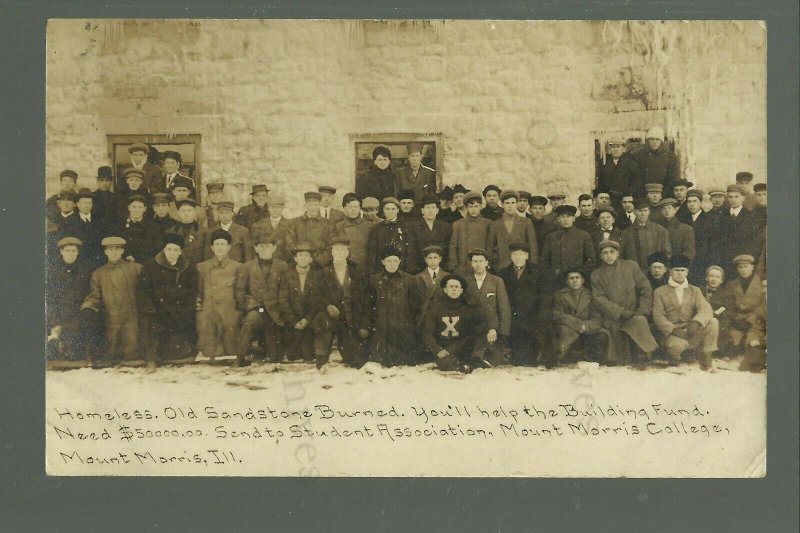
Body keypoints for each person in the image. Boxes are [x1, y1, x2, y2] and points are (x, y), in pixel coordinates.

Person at [591, 240, 658, 369]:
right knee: (617, 358)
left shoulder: (631, 266)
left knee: (639, 322)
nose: (609, 256)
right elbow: (599, 299)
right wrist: (620, 312)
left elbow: (645, 289)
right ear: (601, 256)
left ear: (618, 254)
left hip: (633, 313)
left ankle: (641, 356)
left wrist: (641, 310)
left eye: (612, 252)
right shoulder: (596, 275)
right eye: (605, 253)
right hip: (612, 316)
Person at [136, 233, 198, 371]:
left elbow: (191, 293)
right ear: (164, 249)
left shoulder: (187, 268)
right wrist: (151, 308)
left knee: (179, 341)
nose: (172, 253)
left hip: (178, 310)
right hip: (157, 310)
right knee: (150, 326)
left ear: (181, 252)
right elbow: (143, 291)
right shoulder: (151, 266)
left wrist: (185, 309)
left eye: (176, 250)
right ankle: (150, 359)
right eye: (169, 249)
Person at [80, 236, 143, 365]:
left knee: (132, 351)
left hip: (132, 318)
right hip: (111, 318)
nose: (114, 252)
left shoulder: (136, 268)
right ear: (105, 252)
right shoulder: (98, 273)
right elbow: (94, 295)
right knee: (111, 349)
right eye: (110, 249)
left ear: (122, 251)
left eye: (117, 249)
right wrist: (88, 307)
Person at [309, 237, 370, 369]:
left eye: (343, 249)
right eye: (336, 249)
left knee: (355, 359)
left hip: (351, 318)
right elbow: (315, 297)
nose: (340, 252)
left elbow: (366, 300)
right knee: (321, 319)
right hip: (332, 316)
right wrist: (327, 305)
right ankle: (322, 354)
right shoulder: (323, 272)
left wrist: (364, 325)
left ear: (348, 253)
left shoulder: (357, 271)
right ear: (332, 252)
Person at [652, 255, 718, 370]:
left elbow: (706, 309)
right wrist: (672, 329)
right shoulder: (660, 291)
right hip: (672, 333)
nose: (679, 273)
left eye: (682, 270)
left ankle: (707, 356)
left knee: (713, 322)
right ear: (670, 271)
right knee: (676, 346)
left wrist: (696, 322)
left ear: (687, 272)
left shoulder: (694, 290)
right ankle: (675, 356)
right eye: (676, 270)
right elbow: (658, 316)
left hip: (690, 330)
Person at [235, 230, 289, 366]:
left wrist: (280, 308)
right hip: (257, 310)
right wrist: (255, 305)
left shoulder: (282, 266)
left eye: (268, 246)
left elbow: (286, 291)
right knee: (249, 321)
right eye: (261, 246)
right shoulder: (247, 267)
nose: (265, 249)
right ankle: (241, 356)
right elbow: (240, 292)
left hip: (276, 312)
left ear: (274, 248)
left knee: (275, 356)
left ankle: (263, 351)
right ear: (256, 248)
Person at [497, 243, 552, 365]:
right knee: (518, 359)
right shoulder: (503, 273)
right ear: (510, 256)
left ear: (527, 256)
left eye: (521, 254)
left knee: (532, 356)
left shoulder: (538, 271)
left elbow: (545, 297)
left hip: (532, 318)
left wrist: (540, 316)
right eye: (514, 254)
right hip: (513, 319)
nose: (517, 257)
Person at [367, 246, 423, 366]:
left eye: (395, 261)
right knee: (381, 359)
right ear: (383, 262)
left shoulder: (409, 280)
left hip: (402, 326)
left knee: (405, 359)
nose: (392, 264)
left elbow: (415, 306)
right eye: (388, 261)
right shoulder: (374, 280)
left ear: (399, 261)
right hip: (382, 326)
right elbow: (369, 305)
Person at [422, 274, 488, 373]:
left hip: (463, 346)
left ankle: (473, 362)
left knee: (480, 337)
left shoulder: (468, 307)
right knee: (445, 363)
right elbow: (427, 332)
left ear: (461, 290)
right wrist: (437, 350)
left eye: (456, 287)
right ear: (445, 290)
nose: (454, 289)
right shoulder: (435, 307)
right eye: (451, 286)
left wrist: (455, 348)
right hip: (444, 348)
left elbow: (475, 332)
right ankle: (462, 365)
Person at [196, 229, 243, 361]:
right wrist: (200, 313)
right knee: (209, 353)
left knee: (231, 351)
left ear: (228, 247)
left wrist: (237, 313)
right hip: (208, 314)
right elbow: (199, 293)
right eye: (217, 244)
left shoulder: (238, 267)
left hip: (229, 314)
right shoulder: (202, 267)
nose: (220, 247)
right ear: (212, 247)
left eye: (223, 244)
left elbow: (241, 293)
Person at [460, 248, 512, 367]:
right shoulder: (465, 281)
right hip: (471, 328)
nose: (478, 264)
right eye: (475, 261)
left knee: (497, 358)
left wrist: (500, 331)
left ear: (487, 263)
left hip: (492, 329)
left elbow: (504, 308)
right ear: (471, 264)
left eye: (481, 261)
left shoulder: (496, 281)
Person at [45, 237, 93, 364]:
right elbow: (49, 298)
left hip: (79, 311)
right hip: (60, 313)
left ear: (78, 252)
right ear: (61, 252)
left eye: (73, 251)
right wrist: (55, 322)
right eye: (67, 250)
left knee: (76, 349)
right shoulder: (52, 270)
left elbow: (90, 292)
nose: (71, 254)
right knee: (58, 340)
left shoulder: (85, 269)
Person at [552, 267, 609, 365]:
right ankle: (566, 357)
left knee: (602, 335)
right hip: (569, 329)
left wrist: (585, 326)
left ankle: (588, 358)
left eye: (577, 278)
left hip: (586, 330)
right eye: (571, 278)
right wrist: (576, 324)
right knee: (564, 333)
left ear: (583, 280)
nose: (575, 281)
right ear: (566, 282)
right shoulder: (560, 295)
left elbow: (597, 317)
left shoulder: (591, 295)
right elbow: (558, 314)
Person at [278, 242, 321, 362]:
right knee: (292, 355)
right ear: (295, 258)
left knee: (308, 355)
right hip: (292, 321)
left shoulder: (317, 276)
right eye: (300, 255)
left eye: (306, 256)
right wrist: (293, 321)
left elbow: (317, 301)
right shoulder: (286, 276)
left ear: (311, 259)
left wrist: (307, 319)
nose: (303, 258)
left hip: (308, 321)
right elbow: (283, 301)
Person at [725, 255, 766, 363]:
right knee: (732, 343)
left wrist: (753, 318)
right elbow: (729, 306)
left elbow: (763, 304)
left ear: (752, 267)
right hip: (738, 320)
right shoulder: (732, 285)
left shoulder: (761, 283)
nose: (743, 269)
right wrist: (735, 320)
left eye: (746, 266)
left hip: (756, 320)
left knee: (752, 343)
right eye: (740, 267)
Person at [539, 204, 596, 282]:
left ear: (573, 219)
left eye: (568, 217)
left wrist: (580, 275)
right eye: (562, 217)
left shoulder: (584, 236)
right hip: (556, 280)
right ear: (558, 219)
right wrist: (551, 275)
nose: (565, 220)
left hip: (576, 280)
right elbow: (544, 261)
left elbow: (591, 260)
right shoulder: (551, 237)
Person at [486, 190, 538, 271]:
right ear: (502, 205)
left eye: (513, 203)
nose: (510, 206)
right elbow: (490, 248)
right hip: (501, 268)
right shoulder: (495, 224)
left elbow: (533, 247)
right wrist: (494, 265)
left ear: (516, 204)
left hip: (521, 267)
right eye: (507, 203)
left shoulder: (526, 222)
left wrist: (533, 267)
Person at [285, 191, 338, 269]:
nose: (313, 208)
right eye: (310, 205)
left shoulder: (328, 225)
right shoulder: (294, 223)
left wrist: (318, 262)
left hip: (320, 267)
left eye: (315, 205)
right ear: (305, 205)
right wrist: (301, 261)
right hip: (298, 266)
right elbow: (289, 245)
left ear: (319, 205)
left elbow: (331, 247)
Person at [365, 197, 415, 274]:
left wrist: (408, 271)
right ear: (383, 210)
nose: (390, 212)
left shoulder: (405, 228)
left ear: (398, 210)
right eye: (387, 209)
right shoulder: (376, 229)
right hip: (381, 270)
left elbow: (410, 251)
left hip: (401, 270)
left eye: (393, 209)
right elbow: (372, 253)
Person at [621, 198, 671, 271]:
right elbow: (622, 256)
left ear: (649, 212)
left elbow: (667, 254)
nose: (643, 213)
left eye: (645, 211)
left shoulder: (660, 230)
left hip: (655, 273)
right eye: (640, 211)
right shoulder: (626, 233)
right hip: (634, 273)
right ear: (634, 212)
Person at [719, 184, 759, 275]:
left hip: (743, 264)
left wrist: (746, 261)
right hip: (725, 262)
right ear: (727, 198)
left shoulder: (751, 216)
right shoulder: (721, 216)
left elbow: (754, 242)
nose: (733, 199)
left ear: (743, 198)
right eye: (730, 197)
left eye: (736, 196)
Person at [630, 126, 680, 198]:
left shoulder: (670, 156)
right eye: (652, 139)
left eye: (657, 139)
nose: (655, 142)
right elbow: (636, 178)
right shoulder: (639, 156)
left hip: (664, 194)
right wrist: (643, 195)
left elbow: (672, 178)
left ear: (661, 141)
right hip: (644, 195)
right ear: (648, 141)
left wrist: (663, 195)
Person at [447, 191, 491, 272]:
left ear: (481, 207)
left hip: (481, 266)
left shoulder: (488, 224)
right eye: (471, 206)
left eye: (476, 206)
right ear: (466, 207)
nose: (473, 209)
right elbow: (453, 246)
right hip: (463, 266)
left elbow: (490, 246)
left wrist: (488, 263)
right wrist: (454, 265)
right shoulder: (458, 224)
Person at [408, 193, 451, 273]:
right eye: (428, 208)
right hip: (420, 268)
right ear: (422, 210)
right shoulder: (414, 227)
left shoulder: (445, 227)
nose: (430, 210)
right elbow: (411, 250)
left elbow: (448, 249)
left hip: (440, 268)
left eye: (433, 207)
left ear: (437, 210)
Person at [597, 137, 643, 211]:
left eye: (618, 147)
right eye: (613, 147)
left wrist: (625, 193)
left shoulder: (631, 164)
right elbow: (601, 184)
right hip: (610, 201)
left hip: (625, 201)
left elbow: (637, 183)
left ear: (623, 149)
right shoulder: (605, 164)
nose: (615, 149)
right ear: (609, 149)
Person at [702, 265, 735, 357]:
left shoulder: (727, 293)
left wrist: (718, 313)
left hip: (718, 321)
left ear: (721, 280)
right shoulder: (698, 290)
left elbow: (729, 311)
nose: (714, 279)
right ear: (706, 278)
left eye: (717, 277)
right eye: (711, 276)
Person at [414, 245, 450, 331]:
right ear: (425, 259)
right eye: (430, 258)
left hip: (442, 316)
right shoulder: (418, 277)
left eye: (435, 258)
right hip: (424, 317)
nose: (433, 261)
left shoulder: (448, 276)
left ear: (440, 259)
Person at [117, 193, 160, 264]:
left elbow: (156, 250)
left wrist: (137, 259)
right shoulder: (120, 226)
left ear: (144, 209)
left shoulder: (153, 227)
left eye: (140, 207)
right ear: (129, 207)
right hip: (124, 264)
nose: (136, 210)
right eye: (134, 207)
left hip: (145, 265)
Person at [71, 188, 108, 267]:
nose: (87, 206)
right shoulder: (71, 221)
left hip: (99, 261)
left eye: (89, 203)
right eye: (84, 203)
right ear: (77, 204)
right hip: (79, 262)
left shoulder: (100, 220)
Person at [336, 194, 374, 269]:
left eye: (356, 207)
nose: (353, 209)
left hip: (363, 268)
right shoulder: (337, 227)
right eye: (350, 207)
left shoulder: (369, 226)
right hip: (344, 269)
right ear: (344, 208)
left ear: (360, 208)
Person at [164, 198, 206, 267]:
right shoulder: (170, 231)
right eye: (183, 211)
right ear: (178, 213)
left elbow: (206, 257)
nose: (186, 213)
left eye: (189, 210)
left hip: (196, 271)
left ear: (194, 212)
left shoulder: (203, 232)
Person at [685, 189, 714, 285]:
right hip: (688, 263)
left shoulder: (710, 220)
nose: (691, 204)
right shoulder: (683, 219)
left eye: (695, 201)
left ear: (701, 202)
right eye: (689, 201)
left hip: (704, 262)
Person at [250, 194, 290, 261]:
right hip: (263, 261)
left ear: (282, 209)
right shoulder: (258, 225)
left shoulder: (290, 225)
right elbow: (254, 247)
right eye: (273, 207)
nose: (275, 210)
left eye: (278, 208)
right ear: (268, 208)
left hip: (283, 262)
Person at [658, 198, 696, 264]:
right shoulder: (658, 228)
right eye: (664, 209)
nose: (667, 211)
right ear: (661, 211)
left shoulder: (686, 229)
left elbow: (689, 253)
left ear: (675, 210)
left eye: (669, 208)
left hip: (678, 266)